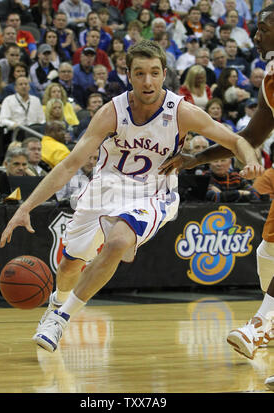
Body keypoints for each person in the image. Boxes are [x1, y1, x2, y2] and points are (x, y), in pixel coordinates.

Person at [0, 40, 262, 353]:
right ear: (128, 75)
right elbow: (70, 164)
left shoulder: (181, 111)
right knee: (69, 266)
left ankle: (61, 318)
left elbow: (236, 140)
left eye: (154, 73)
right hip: (105, 188)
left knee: (119, 242)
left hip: (154, 190)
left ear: (164, 74)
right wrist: (26, 207)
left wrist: (251, 161)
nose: (147, 81)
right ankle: (56, 305)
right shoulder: (111, 112)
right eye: (139, 73)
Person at [158, 5, 274, 375]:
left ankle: (259, 327)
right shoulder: (270, 76)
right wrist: (198, 158)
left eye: (263, 29)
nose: (255, 36)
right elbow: (252, 136)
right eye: (255, 29)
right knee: (267, 259)